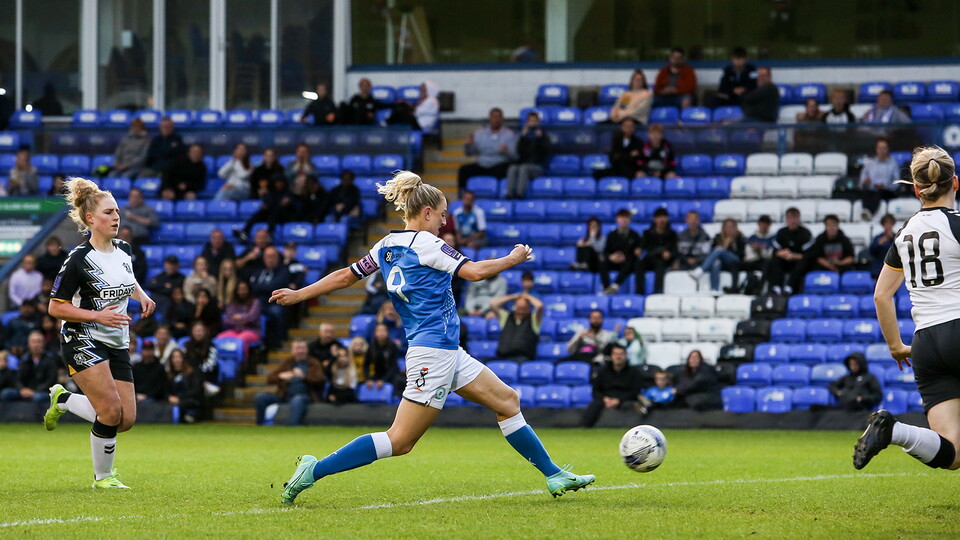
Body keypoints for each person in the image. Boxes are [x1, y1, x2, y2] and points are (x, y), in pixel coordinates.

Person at [269, 170, 593, 503]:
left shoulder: (387, 244)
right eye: (442, 214)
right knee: (400, 440)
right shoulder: (429, 244)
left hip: (446, 350)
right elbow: (475, 273)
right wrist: (514, 258)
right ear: (426, 213)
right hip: (432, 353)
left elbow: (344, 277)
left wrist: (299, 294)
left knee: (507, 401)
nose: (443, 221)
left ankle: (553, 474)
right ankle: (314, 470)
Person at [43, 178, 157, 489]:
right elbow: (56, 307)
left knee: (125, 420)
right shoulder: (78, 259)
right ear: (91, 219)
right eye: (109, 212)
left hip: (116, 341)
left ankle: (64, 399)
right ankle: (104, 478)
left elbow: (126, 279)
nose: (116, 217)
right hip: (83, 337)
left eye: (117, 211)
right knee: (109, 410)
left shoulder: (123, 249)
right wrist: (97, 316)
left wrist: (142, 296)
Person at [855, 146, 960, 472]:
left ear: (916, 189)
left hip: (925, 342)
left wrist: (896, 347)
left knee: (953, 451)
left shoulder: (903, 234)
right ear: (955, 182)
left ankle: (894, 431)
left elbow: (881, 296)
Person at [255, 340, 324, 426]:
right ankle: (260, 425)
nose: (300, 351)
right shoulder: (288, 362)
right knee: (260, 397)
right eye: (298, 348)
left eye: (303, 348)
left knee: (297, 400)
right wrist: (281, 376)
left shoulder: (314, 363)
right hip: (284, 396)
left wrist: (303, 377)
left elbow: (320, 381)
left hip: (305, 396)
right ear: (293, 350)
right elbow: (269, 379)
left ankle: (292, 427)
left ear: (307, 350)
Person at [457, 108, 518, 194]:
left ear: (502, 119)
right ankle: (463, 194)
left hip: (499, 165)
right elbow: (469, 153)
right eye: (493, 117)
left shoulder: (509, 135)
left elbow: (515, 156)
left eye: (498, 117)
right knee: (464, 170)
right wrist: (468, 146)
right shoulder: (479, 133)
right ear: (490, 118)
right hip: (482, 165)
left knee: (509, 169)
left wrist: (506, 151)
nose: (496, 120)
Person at [582, 344, 642, 427]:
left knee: (629, 405)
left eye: (621, 354)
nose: (618, 357)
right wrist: (605, 399)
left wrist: (619, 400)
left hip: (625, 399)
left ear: (626, 356)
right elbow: (595, 391)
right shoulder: (602, 371)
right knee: (594, 404)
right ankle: (586, 428)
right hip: (605, 399)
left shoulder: (634, 372)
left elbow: (635, 391)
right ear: (611, 356)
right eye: (616, 354)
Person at [763, 207, 813, 296]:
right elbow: (776, 251)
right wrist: (783, 254)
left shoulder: (805, 233)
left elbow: (808, 254)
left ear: (799, 218)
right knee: (773, 260)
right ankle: (776, 287)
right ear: (786, 219)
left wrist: (793, 256)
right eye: (790, 218)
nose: (793, 221)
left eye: (795, 218)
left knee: (804, 262)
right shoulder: (781, 232)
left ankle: (790, 287)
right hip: (784, 261)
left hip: (798, 262)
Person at [251, 246, 291, 349]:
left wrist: (260, 287)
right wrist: (265, 287)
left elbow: (275, 287)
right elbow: (252, 287)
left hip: (274, 302)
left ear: (277, 258)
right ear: (264, 258)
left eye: (273, 256)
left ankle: (277, 342)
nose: (270, 259)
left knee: (276, 312)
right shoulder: (259, 272)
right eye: (268, 257)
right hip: (257, 303)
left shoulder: (283, 271)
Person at [691, 218, 746, 293]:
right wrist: (725, 245)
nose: (729, 229)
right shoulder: (718, 237)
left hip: (735, 262)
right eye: (727, 227)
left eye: (731, 227)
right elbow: (712, 252)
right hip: (722, 263)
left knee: (719, 249)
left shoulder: (740, 238)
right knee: (716, 263)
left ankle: (701, 270)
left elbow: (741, 255)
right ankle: (714, 290)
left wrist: (728, 246)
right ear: (723, 228)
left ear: (735, 228)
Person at [505, 111, 550, 200]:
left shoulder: (544, 136)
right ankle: (509, 194)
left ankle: (519, 194)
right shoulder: (523, 137)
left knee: (523, 168)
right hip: (524, 164)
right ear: (527, 122)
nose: (532, 123)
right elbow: (519, 152)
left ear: (538, 122)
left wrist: (540, 138)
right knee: (512, 168)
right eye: (530, 121)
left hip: (538, 166)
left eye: (534, 121)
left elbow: (547, 151)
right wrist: (523, 137)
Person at [860, 137, 905, 220]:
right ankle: (865, 211)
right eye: (880, 148)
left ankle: (869, 213)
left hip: (887, 191)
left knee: (879, 192)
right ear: (876, 149)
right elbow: (863, 177)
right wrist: (865, 182)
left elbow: (897, 181)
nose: (882, 150)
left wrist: (885, 186)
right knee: (865, 193)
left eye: (884, 148)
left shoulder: (893, 163)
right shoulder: (870, 163)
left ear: (887, 149)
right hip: (872, 190)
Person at [491, 292, 543, 363]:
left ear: (528, 308)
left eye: (523, 307)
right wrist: (514, 296)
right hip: (502, 356)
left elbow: (539, 306)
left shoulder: (534, 320)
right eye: (519, 307)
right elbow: (493, 303)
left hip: (522, 358)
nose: (521, 310)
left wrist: (527, 296)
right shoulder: (506, 317)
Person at [600, 208, 642, 295]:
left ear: (629, 220)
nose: (624, 220)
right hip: (614, 262)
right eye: (622, 217)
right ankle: (606, 287)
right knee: (602, 263)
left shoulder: (635, 235)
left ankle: (615, 285)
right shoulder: (611, 235)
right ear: (617, 219)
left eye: (626, 217)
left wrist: (626, 256)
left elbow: (637, 252)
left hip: (627, 264)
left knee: (633, 261)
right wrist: (611, 257)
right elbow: (606, 251)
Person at [11, 331, 59, 405]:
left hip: (43, 391)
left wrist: (35, 391)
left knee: (37, 397)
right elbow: (17, 378)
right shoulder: (24, 359)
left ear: (43, 344)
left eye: (39, 342)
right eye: (33, 342)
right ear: (28, 344)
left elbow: (51, 380)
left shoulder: (50, 359)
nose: (36, 345)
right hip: (25, 390)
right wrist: (22, 389)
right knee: (6, 394)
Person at [637, 208, 678, 295]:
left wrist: (670, 255)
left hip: (664, 261)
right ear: (654, 219)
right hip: (650, 258)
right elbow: (643, 247)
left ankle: (657, 291)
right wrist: (638, 249)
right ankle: (639, 292)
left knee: (660, 263)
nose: (661, 220)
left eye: (664, 217)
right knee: (639, 264)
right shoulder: (647, 233)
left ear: (667, 219)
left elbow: (675, 250)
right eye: (659, 217)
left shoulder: (672, 234)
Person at [218, 280, 262, 349]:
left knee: (240, 340)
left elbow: (252, 317)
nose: (241, 292)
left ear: (248, 290)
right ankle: (222, 359)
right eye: (239, 289)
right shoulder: (233, 303)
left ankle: (242, 360)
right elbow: (226, 320)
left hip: (251, 331)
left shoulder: (255, 302)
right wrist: (242, 320)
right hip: (235, 331)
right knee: (219, 339)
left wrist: (240, 317)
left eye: (244, 289)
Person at [739, 215, 775, 294]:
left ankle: (760, 287)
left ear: (769, 225)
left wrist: (759, 251)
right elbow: (747, 253)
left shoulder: (772, 238)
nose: (764, 226)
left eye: (766, 224)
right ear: (758, 224)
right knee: (736, 264)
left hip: (763, 262)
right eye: (762, 224)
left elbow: (771, 254)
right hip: (752, 261)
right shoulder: (752, 237)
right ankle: (737, 288)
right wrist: (759, 252)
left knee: (767, 264)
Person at [167, 349, 203, 423]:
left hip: (188, 399)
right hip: (173, 400)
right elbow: (166, 390)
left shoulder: (191, 372)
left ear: (183, 359)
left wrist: (179, 398)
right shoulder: (169, 375)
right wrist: (170, 397)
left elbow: (195, 390)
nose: (176, 360)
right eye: (174, 357)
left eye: (179, 357)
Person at [364, 324, 399, 390]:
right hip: (376, 375)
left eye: (383, 330)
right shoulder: (371, 347)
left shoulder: (392, 346)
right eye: (379, 330)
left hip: (390, 375)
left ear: (388, 333)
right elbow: (366, 364)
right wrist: (368, 379)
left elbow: (394, 367)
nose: (381, 333)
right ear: (375, 333)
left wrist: (384, 380)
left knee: (398, 381)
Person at [869, 214, 898, 278]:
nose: (888, 225)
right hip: (879, 266)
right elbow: (871, 252)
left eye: (890, 223)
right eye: (886, 223)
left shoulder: (897, 238)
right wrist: (879, 243)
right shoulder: (878, 238)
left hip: (893, 267)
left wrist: (892, 239)